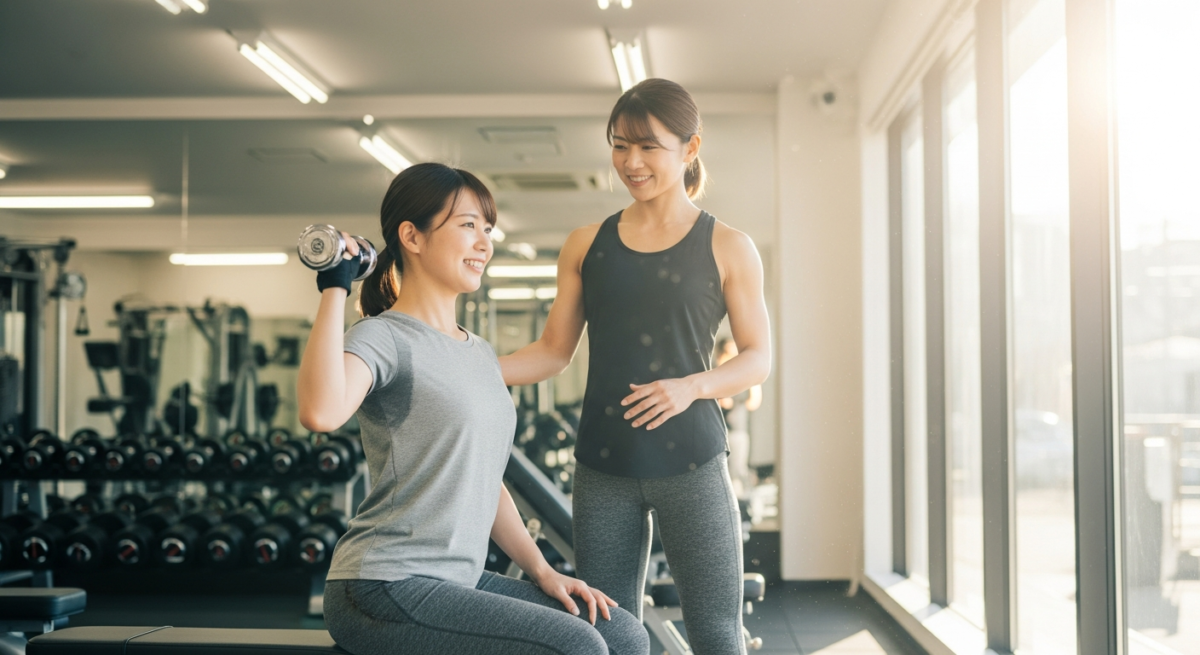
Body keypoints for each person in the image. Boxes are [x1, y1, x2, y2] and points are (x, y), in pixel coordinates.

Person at [297, 162, 648, 655]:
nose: (485, 243)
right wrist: (335, 287)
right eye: (468, 226)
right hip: (383, 583)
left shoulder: (478, 351)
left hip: (458, 580)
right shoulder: (383, 336)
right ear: (412, 237)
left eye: (488, 230)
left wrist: (543, 571)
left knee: (623, 633)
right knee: (577, 647)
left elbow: (485, 479)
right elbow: (320, 412)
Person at [500, 79, 772, 655]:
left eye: (649, 146)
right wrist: (463, 363)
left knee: (717, 636)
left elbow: (757, 358)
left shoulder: (728, 245)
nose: (632, 162)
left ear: (690, 147)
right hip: (604, 468)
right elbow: (553, 351)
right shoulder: (585, 244)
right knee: (609, 635)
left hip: (693, 462)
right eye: (620, 146)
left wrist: (692, 387)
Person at [716, 338, 762, 499]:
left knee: (738, 470)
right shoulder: (716, 375)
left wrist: (755, 379)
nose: (732, 356)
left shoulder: (742, 376)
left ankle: (743, 504)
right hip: (721, 432)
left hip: (738, 431)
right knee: (725, 473)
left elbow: (753, 403)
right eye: (728, 352)